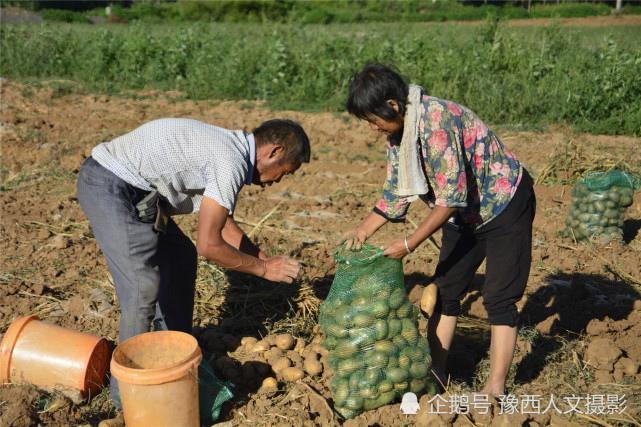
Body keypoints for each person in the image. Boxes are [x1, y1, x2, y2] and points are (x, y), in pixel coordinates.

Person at [77, 117, 310, 423]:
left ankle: (174, 355)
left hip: (140, 194)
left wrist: (264, 259)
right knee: (141, 286)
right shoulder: (231, 161)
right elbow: (209, 245)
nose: (278, 181)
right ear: (274, 152)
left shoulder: (230, 150)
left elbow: (222, 223)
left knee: (180, 254)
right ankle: (127, 399)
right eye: (286, 172)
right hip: (110, 184)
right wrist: (264, 270)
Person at [339, 63, 536, 396]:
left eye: (373, 119)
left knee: (499, 299)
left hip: (503, 205)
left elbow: (450, 198)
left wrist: (409, 242)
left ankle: (495, 390)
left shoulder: (436, 121)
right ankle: (436, 375)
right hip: (463, 216)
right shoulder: (399, 134)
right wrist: (362, 231)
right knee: (446, 292)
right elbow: (395, 191)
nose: (373, 128)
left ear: (393, 105)